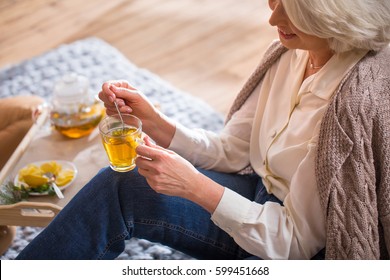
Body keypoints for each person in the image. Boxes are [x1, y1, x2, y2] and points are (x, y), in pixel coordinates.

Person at [17, 0, 390, 260]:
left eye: (291, 8)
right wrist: (156, 124)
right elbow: (235, 150)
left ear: (332, 16)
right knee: (121, 182)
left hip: (288, 248)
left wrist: (194, 187)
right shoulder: (289, 53)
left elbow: (295, 245)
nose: (273, 18)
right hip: (257, 196)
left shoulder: (351, 111)